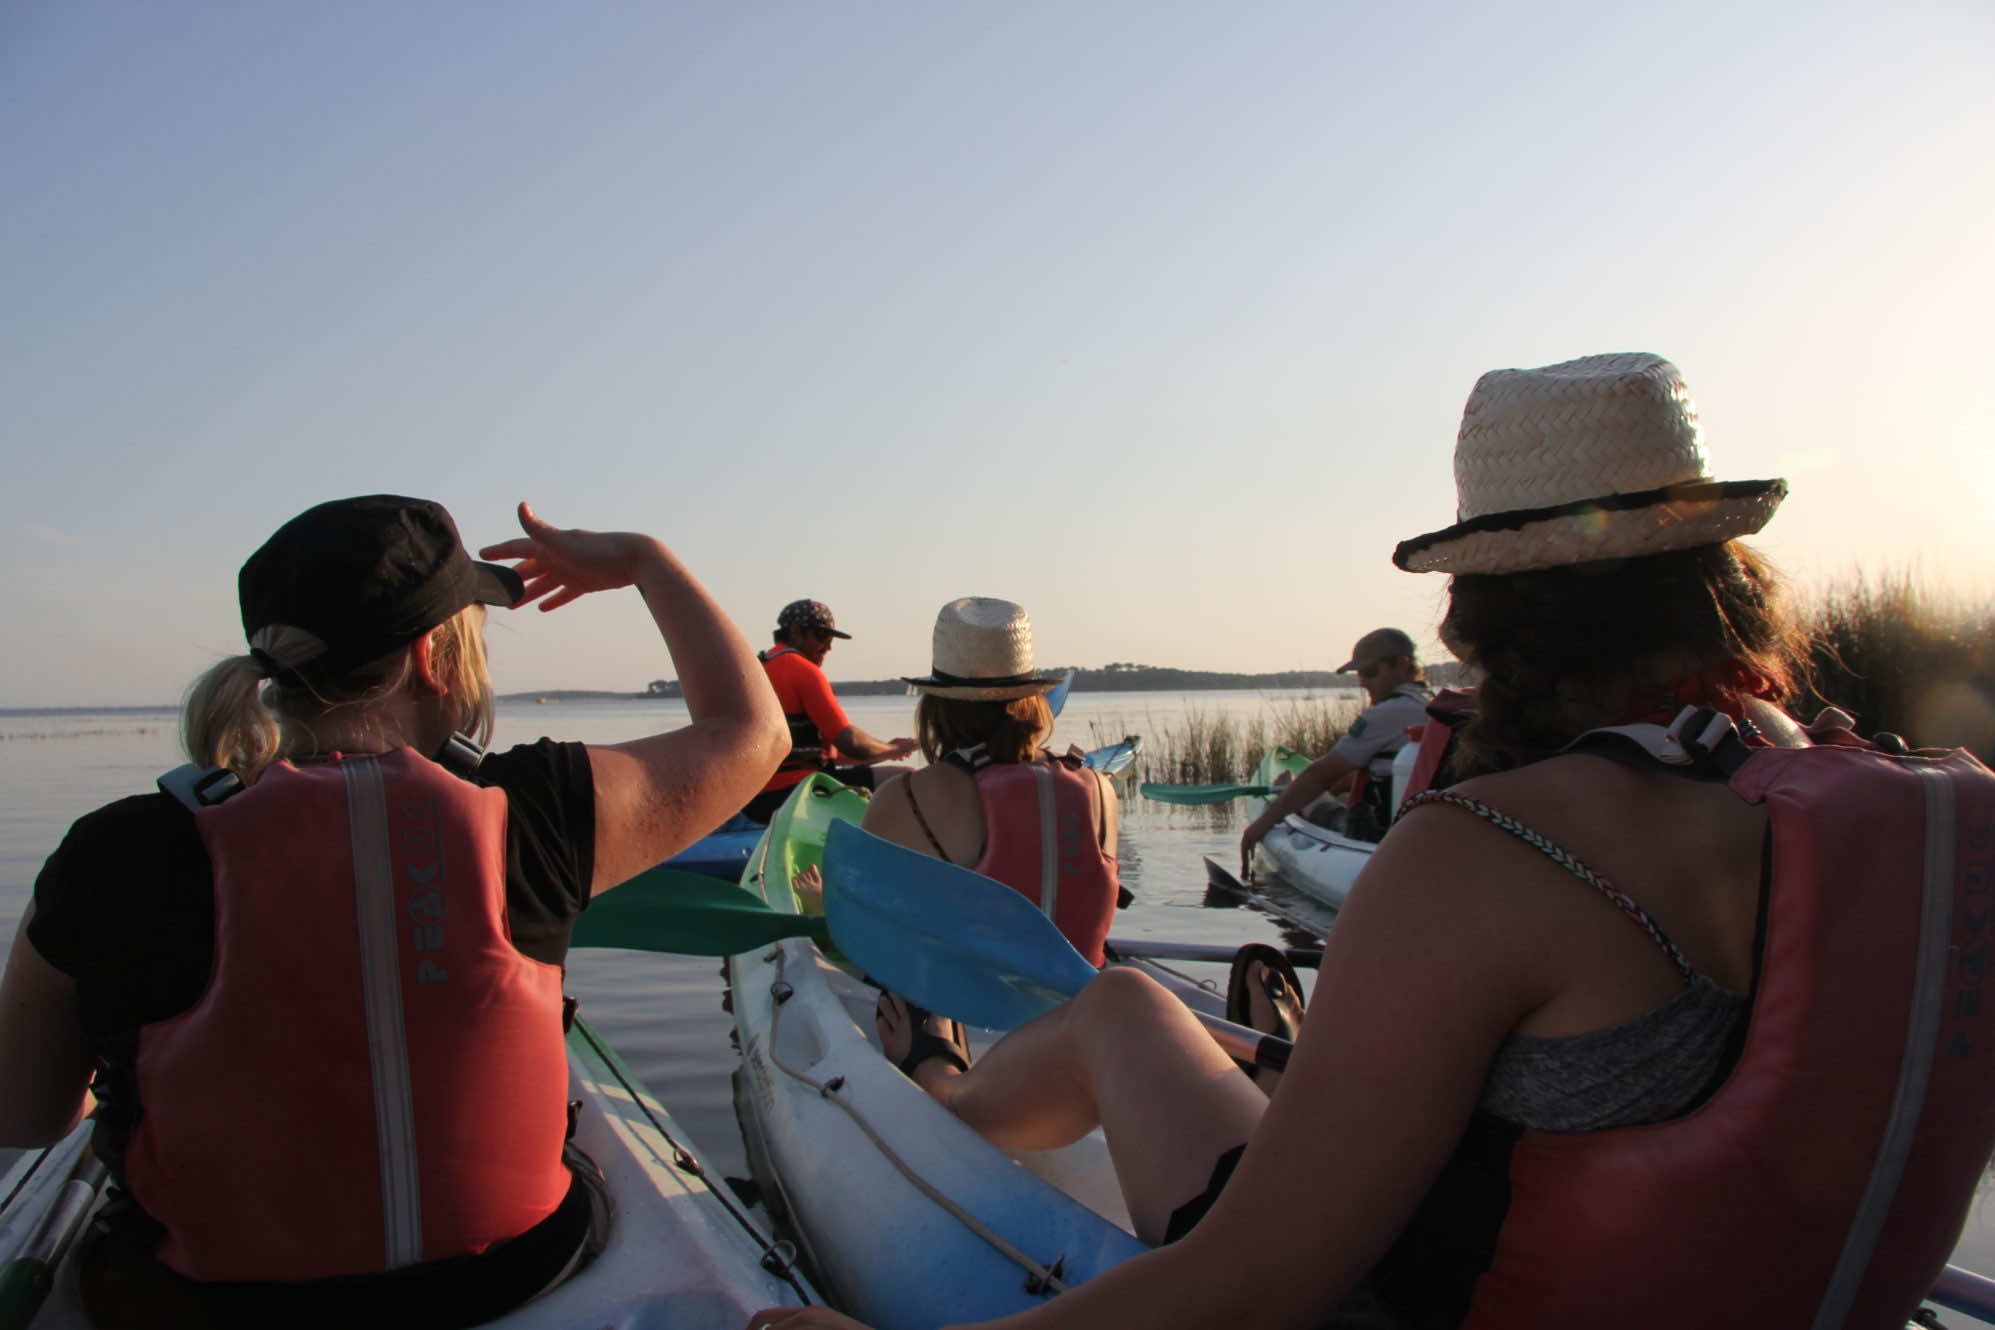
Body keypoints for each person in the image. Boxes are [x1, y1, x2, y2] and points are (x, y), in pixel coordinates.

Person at [745, 353, 1995, 1330]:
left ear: (1486, 613)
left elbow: (1243, 1294)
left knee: (1126, 1010)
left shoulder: (1494, 849)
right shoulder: (1861, 795)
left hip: (1384, 1298)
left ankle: (936, 1097)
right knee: (1140, 1007)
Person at [0, 495, 786, 1329]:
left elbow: (25, 1113)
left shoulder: (111, 851)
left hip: (200, 1302)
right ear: (433, 657)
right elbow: (751, 731)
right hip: (508, 1279)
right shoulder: (539, 811)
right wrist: (644, 562)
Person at [1238, 626, 1431, 869]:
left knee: (1315, 805)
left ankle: (1285, 789)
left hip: (1379, 835)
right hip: (1419, 829)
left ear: (1402, 665)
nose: (1362, 681)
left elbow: (1319, 775)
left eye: (1370, 671)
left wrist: (1261, 825)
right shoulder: (1431, 705)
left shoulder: (1385, 714)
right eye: (1359, 673)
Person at [742, 598, 916, 823]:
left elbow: (833, 756)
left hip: (757, 801)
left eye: (831, 639)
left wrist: (888, 750)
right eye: (822, 636)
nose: (829, 646)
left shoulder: (757, 668)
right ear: (796, 632)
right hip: (797, 793)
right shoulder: (802, 669)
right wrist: (891, 748)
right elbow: (850, 742)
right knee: (907, 778)